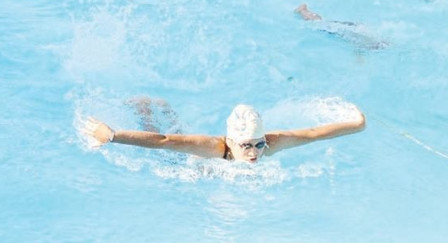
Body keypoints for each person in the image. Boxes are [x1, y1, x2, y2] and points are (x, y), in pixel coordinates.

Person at [85, 102, 365, 163]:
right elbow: (163, 141)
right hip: (193, 164)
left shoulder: (272, 143)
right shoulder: (215, 148)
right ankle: (148, 109)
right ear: (231, 141)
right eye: (246, 146)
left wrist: (357, 125)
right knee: (172, 145)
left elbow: (316, 133)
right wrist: (111, 135)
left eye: (258, 145)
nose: (254, 152)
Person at [295, 4, 387, 50]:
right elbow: (358, 50)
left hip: (350, 26)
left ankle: (305, 10)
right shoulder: (368, 44)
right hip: (341, 29)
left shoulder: (373, 37)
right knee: (319, 23)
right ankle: (303, 11)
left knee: (323, 22)